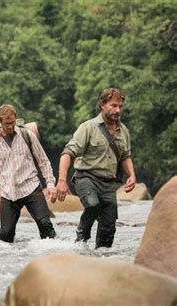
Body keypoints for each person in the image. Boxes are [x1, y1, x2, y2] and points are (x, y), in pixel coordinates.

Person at [56, 88, 136, 248]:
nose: (117, 110)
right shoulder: (88, 127)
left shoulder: (123, 131)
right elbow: (67, 154)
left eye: (120, 106)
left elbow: (125, 156)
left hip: (109, 184)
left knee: (109, 228)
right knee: (92, 205)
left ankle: (101, 256)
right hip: (86, 178)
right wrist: (62, 181)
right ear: (102, 105)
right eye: (113, 105)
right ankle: (81, 238)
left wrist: (132, 175)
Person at [0, 104, 57, 243]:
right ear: (0, 121)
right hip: (8, 193)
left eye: (12, 122)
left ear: (16, 119)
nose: (10, 126)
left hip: (31, 187)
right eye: (7, 123)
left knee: (45, 224)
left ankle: (51, 257)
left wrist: (50, 184)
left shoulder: (27, 135)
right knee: (6, 235)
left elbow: (43, 161)